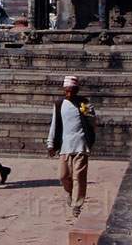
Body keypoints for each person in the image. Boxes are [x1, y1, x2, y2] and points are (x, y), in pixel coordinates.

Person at [47, 75, 96, 218]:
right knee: (63, 176)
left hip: (81, 145)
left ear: (77, 90)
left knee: (79, 177)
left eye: (72, 90)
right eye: (67, 91)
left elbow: (93, 123)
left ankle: (77, 204)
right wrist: (50, 144)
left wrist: (88, 113)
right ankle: (69, 192)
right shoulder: (59, 105)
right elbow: (54, 125)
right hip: (65, 146)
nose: (69, 93)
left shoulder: (84, 104)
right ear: (64, 90)